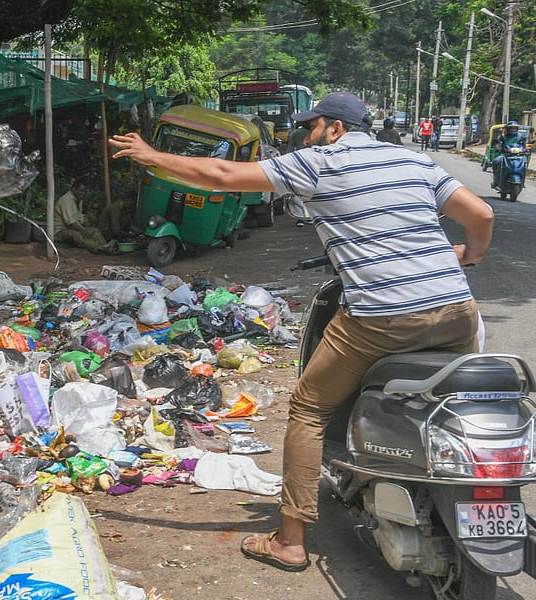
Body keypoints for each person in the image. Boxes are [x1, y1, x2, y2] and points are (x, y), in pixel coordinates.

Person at [109, 91, 493, 573]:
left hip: (382, 316)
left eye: (312, 126)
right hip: (457, 310)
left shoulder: (319, 162)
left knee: (309, 408)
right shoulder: (413, 161)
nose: (305, 134)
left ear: (334, 128)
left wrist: (151, 155)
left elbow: (224, 176)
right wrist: (470, 256)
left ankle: (290, 541)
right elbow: (481, 215)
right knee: (452, 397)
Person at [53, 180, 117, 254]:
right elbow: (71, 222)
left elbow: (79, 220)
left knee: (94, 230)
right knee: (77, 234)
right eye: (81, 191)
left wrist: (84, 230)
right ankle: (99, 248)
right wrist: (83, 231)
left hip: (72, 228)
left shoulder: (78, 200)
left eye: (84, 191)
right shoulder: (65, 200)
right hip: (60, 231)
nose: (83, 193)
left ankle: (106, 246)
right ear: (74, 189)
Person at [491, 120, 526, 188]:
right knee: (496, 161)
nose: (513, 130)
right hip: (506, 155)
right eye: (511, 128)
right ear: (507, 129)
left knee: (525, 163)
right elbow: (498, 144)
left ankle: (523, 181)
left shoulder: (520, 136)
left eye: (514, 128)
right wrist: (499, 148)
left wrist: (525, 149)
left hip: (518, 155)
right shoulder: (502, 137)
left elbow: (524, 145)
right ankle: (496, 180)